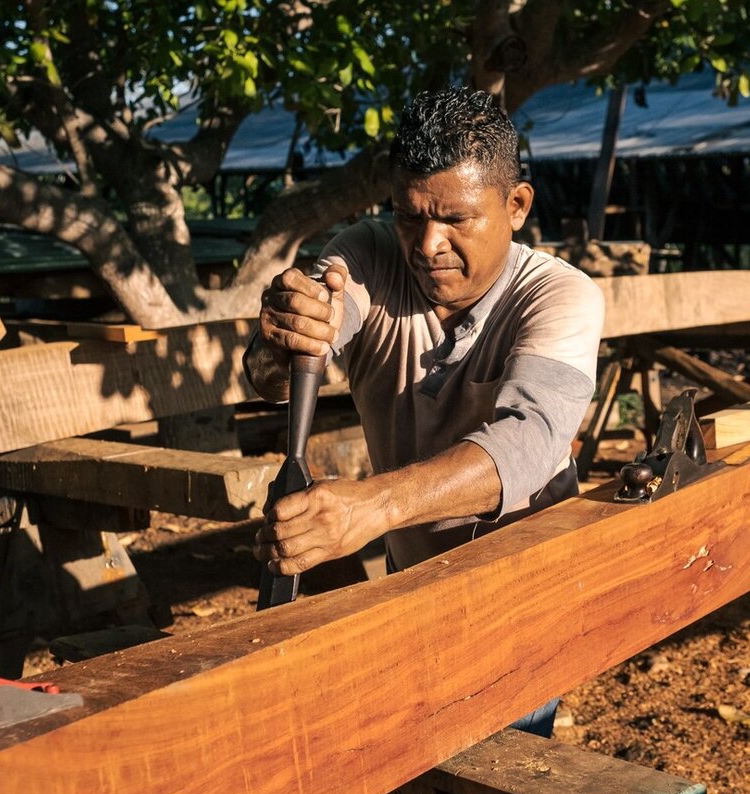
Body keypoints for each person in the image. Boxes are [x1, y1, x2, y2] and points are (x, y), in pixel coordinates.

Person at [245, 86, 605, 737]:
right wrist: (285, 337)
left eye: (457, 220)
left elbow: (531, 443)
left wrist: (371, 506)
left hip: (526, 603)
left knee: (504, 761)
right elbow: (285, 364)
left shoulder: (558, 297)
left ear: (516, 204)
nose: (427, 244)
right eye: (410, 216)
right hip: (413, 592)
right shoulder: (368, 254)